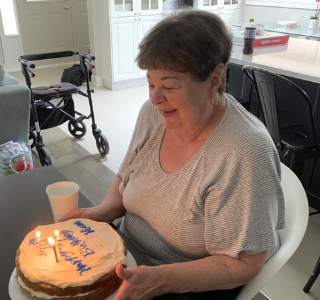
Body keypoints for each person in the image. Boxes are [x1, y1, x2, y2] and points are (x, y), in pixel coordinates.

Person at [59, 10, 284, 300]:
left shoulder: (243, 152)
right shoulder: (152, 114)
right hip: (130, 258)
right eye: (151, 83)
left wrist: (160, 280)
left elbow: (242, 264)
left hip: (183, 284)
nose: (155, 98)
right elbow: (126, 176)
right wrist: (103, 211)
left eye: (169, 86)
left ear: (213, 80)